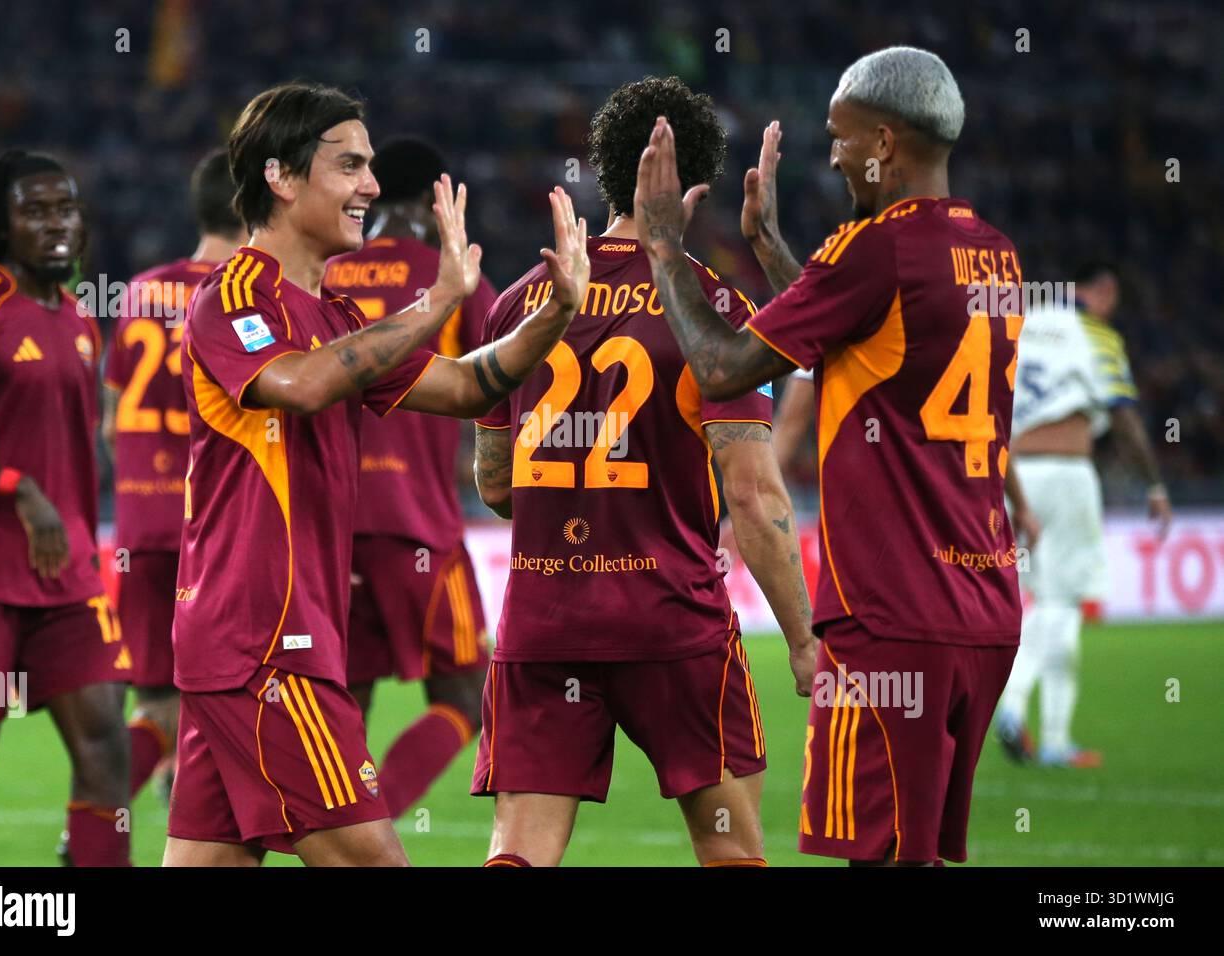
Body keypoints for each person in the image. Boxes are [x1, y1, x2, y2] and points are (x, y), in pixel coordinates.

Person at [162, 81, 589, 867]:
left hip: (253, 637)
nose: (369, 186)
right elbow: (301, 385)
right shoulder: (231, 296)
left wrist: (554, 316)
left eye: (369, 168)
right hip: (263, 639)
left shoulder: (338, 317)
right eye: (349, 166)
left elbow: (464, 386)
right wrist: (435, 301)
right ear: (281, 178)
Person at [635, 47, 1024, 865]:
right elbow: (867, 341)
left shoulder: (876, 247)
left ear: (885, 142)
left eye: (841, 139)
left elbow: (721, 367)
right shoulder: (994, 253)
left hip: (890, 611)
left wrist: (666, 248)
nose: (835, 155)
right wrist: (779, 253)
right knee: (905, 855)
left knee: (873, 857)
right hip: (981, 610)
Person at [471, 76, 816, 868]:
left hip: (543, 622)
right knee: (729, 849)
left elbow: (495, 486)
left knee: (518, 853)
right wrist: (803, 638)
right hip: (671, 621)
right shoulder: (718, 313)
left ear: (605, 171)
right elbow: (755, 493)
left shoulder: (522, 301)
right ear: (695, 186)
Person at [0, 150, 131, 866]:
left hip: (66, 575)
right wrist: (19, 488)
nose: (55, 226)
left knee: (105, 740)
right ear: (1, 227)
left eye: (65, 209)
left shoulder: (79, 319)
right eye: (35, 212)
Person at [324, 138, 497, 818]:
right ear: (436, 200)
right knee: (465, 697)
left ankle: (339, 838)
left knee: (346, 701)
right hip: (417, 523)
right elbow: (501, 381)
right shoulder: (450, 276)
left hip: (329, 528)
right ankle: (378, 827)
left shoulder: (328, 272)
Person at [102, 147, 247, 802]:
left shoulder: (139, 291)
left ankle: (94, 826)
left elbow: (110, 424)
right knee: (238, 693)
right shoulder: (244, 295)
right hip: (214, 527)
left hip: (138, 526)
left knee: (157, 702)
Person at [995, 261, 1170, 768]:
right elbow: (1124, 413)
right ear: (1104, 289)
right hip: (1069, 474)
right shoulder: (1095, 333)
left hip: (1013, 477)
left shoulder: (1017, 324)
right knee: (1062, 604)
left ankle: (1022, 716)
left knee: (1029, 601)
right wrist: (1154, 485)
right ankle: (1039, 728)